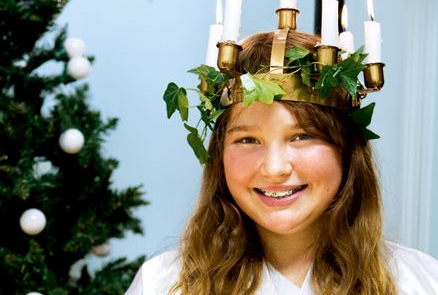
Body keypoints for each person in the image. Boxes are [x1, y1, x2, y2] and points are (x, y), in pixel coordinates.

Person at [126, 30, 438, 294]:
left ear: (347, 151)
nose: (275, 168)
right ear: (219, 156)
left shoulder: (418, 281)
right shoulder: (163, 284)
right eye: (248, 140)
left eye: (302, 136)